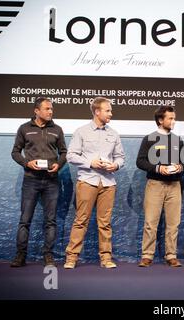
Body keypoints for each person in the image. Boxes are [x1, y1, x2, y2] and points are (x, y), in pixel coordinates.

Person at [64, 97, 125, 269]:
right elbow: (71, 155)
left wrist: (115, 165)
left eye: (110, 110)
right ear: (97, 112)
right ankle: (71, 258)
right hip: (87, 181)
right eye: (108, 110)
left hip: (108, 183)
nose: (110, 114)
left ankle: (106, 258)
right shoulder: (81, 131)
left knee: (105, 223)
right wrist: (90, 163)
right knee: (81, 220)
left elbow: (120, 157)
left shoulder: (113, 134)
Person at [10, 97, 67, 267]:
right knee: (25, 220)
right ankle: (20, 256)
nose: (51, 111)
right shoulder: (24, 129)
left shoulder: (57, 129)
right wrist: (27, 163)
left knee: (50, 221)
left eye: (51, 109)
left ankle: (48, 256)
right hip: (31, 180)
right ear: (37, 111)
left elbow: (64, 152)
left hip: (51, 181)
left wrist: (59, 164)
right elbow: (15, 152)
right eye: (47, 108)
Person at [136, 106, 184, 267]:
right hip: (155, 184)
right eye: (170, 118)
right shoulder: (149, 139)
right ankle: (147, 255)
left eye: (174, 118)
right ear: (160, 120)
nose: (173, 121)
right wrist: (158, 168)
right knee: (150, 222)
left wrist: (180, 167)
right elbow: (140, 161)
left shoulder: (178, 140)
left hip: (175, 185)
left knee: (173, 223)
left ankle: (171, 255)